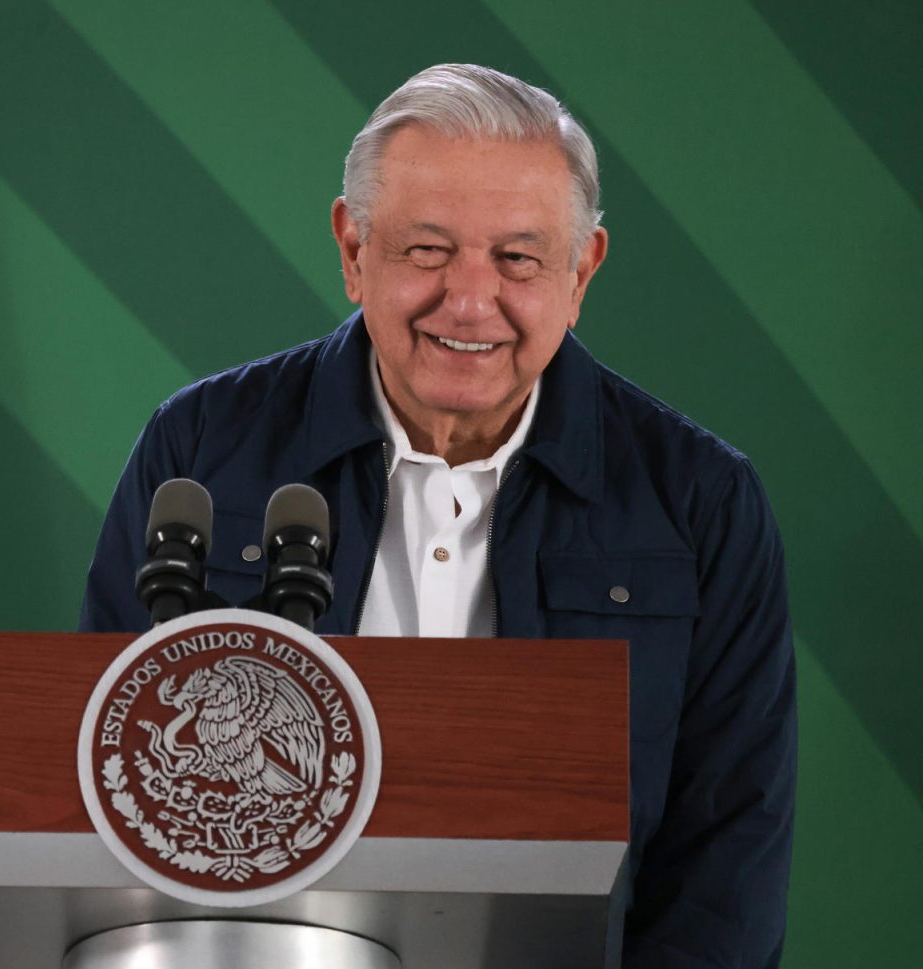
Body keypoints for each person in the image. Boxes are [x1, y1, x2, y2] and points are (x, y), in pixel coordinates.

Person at [79, 64, 796, 966]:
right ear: (352, 250)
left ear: (581, 272)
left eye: (517, 259)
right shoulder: (199, 451)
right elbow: (101, 779)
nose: (468, 300)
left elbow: (727, 865)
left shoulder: (700, 503)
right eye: (426, 250)